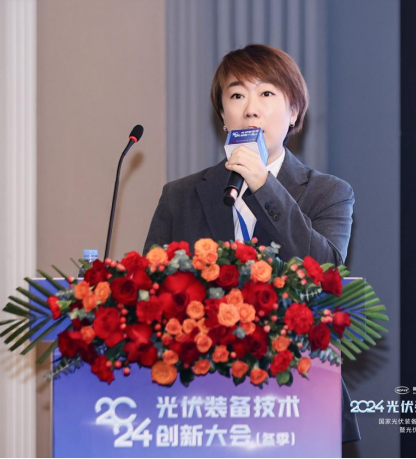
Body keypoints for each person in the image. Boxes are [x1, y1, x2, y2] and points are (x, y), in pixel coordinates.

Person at [143, 44, 360, 444]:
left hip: (300, 399)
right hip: (197, 401)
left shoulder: (329, 193)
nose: (251, 109)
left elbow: (325, 273)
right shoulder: (180, 196)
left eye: (267, 93)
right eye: (237, 95)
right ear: (223, 115)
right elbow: (151, 294)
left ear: (294, 111)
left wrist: (264, 186)